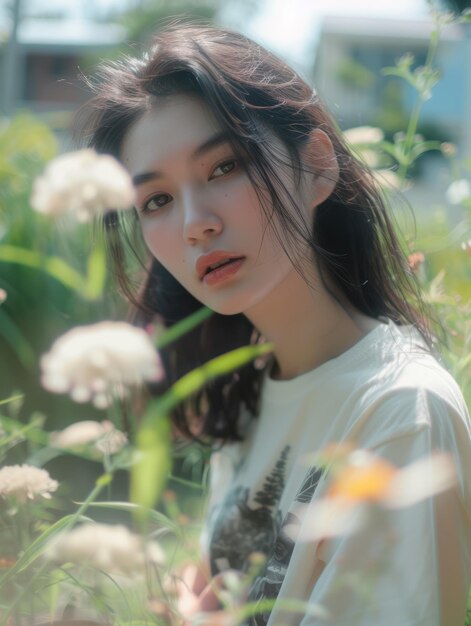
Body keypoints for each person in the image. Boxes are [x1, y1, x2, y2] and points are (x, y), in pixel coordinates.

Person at [80, 23, 471, 625]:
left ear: (316, 166)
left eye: (224, 167)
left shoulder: (399, 414)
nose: (195, 223)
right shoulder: (250, 391)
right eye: (155, 200)